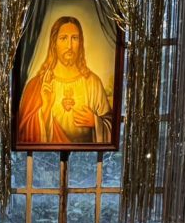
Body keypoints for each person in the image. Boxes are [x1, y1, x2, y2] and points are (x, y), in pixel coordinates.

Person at [16, 16, 113, 145]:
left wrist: (95, 122)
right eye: (63, 38)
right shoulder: (38, 85)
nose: (69, 46)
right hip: (48, 157)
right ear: (54, 43)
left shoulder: (92, 83)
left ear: (80, 43)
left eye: (75, 38)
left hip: (85, 156)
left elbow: (111, 127)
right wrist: (45, 108)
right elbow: (23, 133)